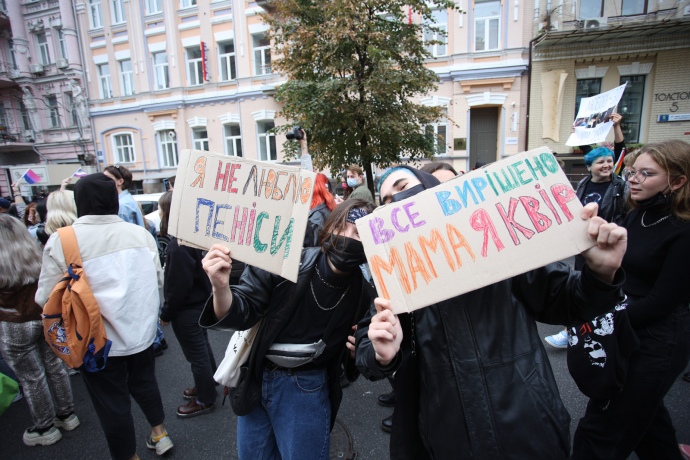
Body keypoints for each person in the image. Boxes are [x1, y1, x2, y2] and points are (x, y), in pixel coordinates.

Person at [355, 165, 627, 460]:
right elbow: (367, 347)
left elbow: (571, 302)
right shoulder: (394, 279)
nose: (397, 201)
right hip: (447, 438)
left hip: (529, 426)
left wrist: (600, 275)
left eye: (403, 187)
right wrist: (382, 355)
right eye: (386, 201)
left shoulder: (500, 243)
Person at [200, 199, 376, 460]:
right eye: (341, 226)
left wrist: (370, 354)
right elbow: (243, 309)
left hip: (307, 389)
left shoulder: (365, 295)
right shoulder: (287, 262)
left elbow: (368, 355)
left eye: (359, 233)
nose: (347, 236)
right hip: (257, 377)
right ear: (328, 228)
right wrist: (220, 287)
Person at [35, 173, 173, 459]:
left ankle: (128, 455)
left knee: (112, 403)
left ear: (79, 202)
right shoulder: (139, 234)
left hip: (94, 340)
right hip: (141, 333)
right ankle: (160, 434)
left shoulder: (63, 240)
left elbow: (45, 297)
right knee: (145, 384)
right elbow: (158, 280)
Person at [571, 140, 690, 460]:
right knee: (649, 425)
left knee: (602, 430)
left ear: (677, 181)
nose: (633, 180)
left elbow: (662, 302)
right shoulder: (638, 214)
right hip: (627, 326)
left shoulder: (684, 230)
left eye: (646, 174)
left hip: (656, 340)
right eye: (632, 171)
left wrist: (602, 323)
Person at [0, 214, 80, 446]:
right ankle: (67, 414)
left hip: (14, 323)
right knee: (55, 366)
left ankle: (45, 427)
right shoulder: (36, 253)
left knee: (31, 377)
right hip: (44, 315)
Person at [545, 146, 628, 348]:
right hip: (584, 243)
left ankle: (584, 331)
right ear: (590, 166)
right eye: (601, 162)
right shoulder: (583, 184)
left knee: (599, 285)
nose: (606, 165)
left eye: (609, 161)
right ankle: (575, 331)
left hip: (606, 243)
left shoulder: (620, 187)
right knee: (581, 280)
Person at [157, 191, 217, 418]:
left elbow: (177, 288)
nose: (159, 213)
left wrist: (166, 313)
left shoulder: (177, 245)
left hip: (188, 309)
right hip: (200, 303)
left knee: (196, 355)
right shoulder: (191, 238)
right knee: (202, 348)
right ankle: (207, 384)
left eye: (160, 208)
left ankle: (205, 398)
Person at [103, 165, 167, 355]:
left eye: (108, 178)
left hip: (133, 260)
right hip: (140, 257)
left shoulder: (122, 206)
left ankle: (153, 341)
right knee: (146, 302)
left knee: (139, 305)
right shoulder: (128, 201)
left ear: (119, 181)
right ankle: (156, 338)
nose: (105, 182)